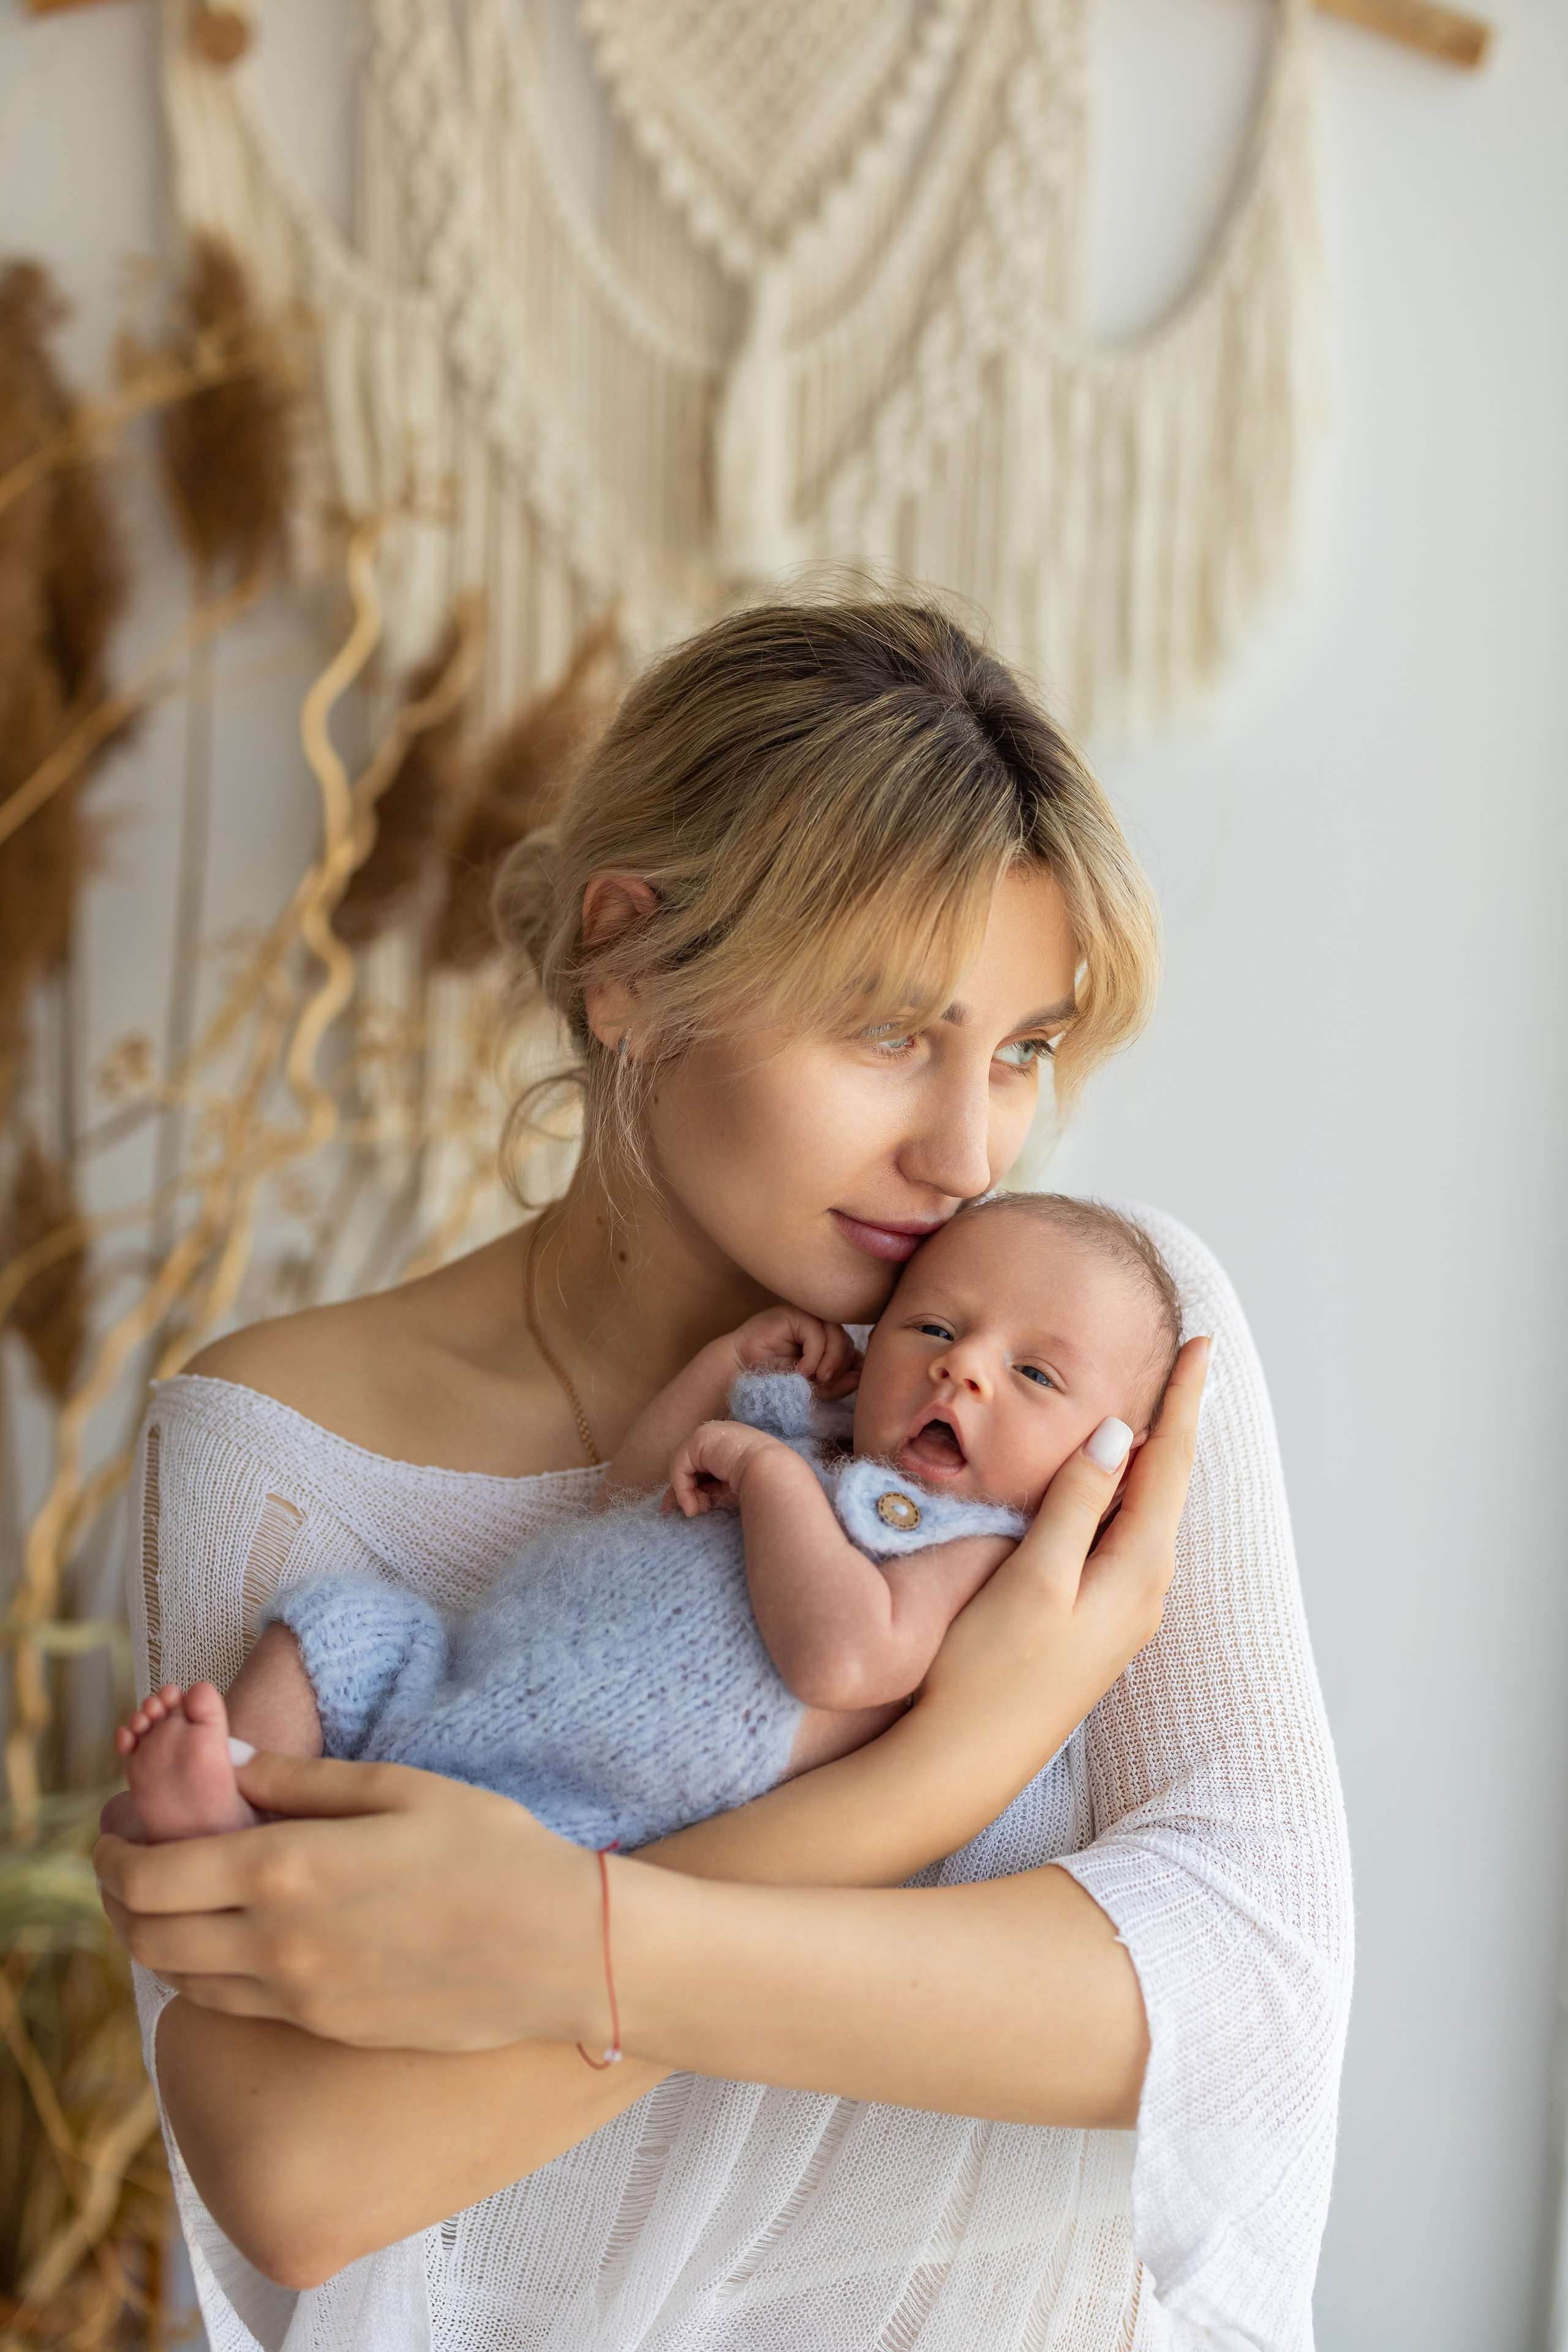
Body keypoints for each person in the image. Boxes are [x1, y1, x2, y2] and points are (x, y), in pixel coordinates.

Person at [96, 600, 1352, 2352]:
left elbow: (1255, 2001)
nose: (967, 1149)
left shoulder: (1090, 1341)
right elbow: (305, 2172)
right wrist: (943, 1766)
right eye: (889, 1032)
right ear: (628, 962)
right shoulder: (277, 1451)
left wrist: (570, 1944)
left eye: (1022, 1048)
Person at [113, 1196, 1181, 1854]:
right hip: (464, 1668)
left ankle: (272, 1859)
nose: (964, 1365)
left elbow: (846, 1656)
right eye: (933, 1326)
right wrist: (725, 1372)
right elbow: (628, 1502)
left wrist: (768, 1480)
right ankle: (229, 1794)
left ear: (1106, 1457)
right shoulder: (813, 1437)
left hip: (580, 1808)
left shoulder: (975, 1551)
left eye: (1034, 1373)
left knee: (456, 1877)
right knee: (334, 1626)